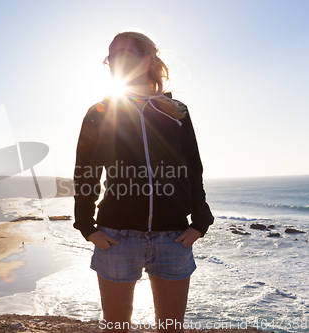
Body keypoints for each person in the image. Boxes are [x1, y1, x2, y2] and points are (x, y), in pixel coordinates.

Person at [73, 30, 214, 333]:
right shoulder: (99, 113)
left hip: (173, 237)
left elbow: (192, 169)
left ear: (147, 60)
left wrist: (201, 220)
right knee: (116, 329)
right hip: (116, 237)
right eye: (111, 56)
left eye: (125, 53)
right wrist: (86, 225)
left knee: (171, 328)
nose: (115, 61)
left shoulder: (176, 112)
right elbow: (86, 172)